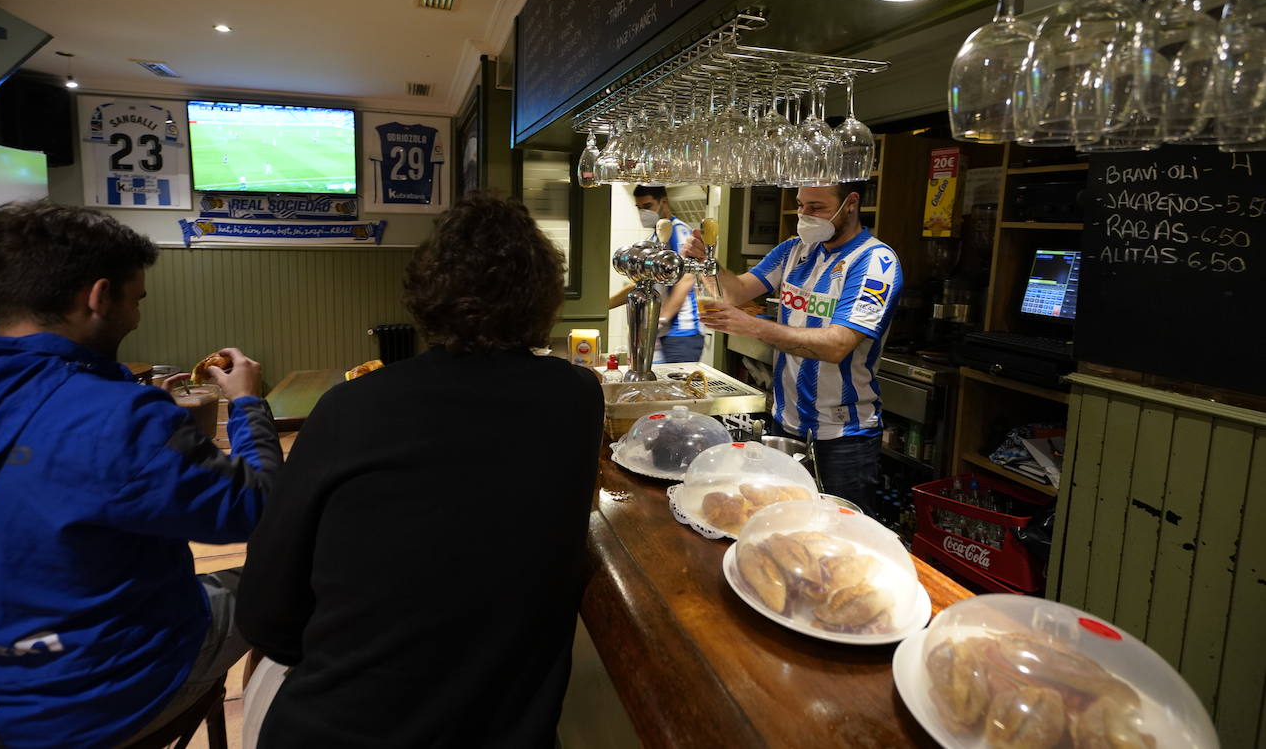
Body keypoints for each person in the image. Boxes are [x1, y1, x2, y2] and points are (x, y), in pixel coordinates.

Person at [0, 200, 281, 748]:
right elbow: (262, 507)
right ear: (98, 296)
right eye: (136, 299)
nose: (137, 316)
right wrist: (246, 403)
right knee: (283, 569)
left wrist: (137, 412)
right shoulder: (117, 418)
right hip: (96, 705)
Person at [237, 192, 604, 748]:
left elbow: (267, 620)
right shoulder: (577, 398)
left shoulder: (348, 407)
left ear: (428, 294)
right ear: (544, 298)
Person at [683, 182, 901, 515]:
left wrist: (753, 326)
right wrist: (708, 264)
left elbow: (838, 345)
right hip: (786, 423)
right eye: (801, 205)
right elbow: (736, 291)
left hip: (844, 438)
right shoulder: (794, 250)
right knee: (780, 522)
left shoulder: (875, 262)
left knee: (836, 541)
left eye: (817, 207)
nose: (804, 215)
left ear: (851, 203)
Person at [606, 184, 704, 364]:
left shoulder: (680, 232)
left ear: (663, 202)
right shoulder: (653, 240)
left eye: (648, 206)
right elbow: (641, 284)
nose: (643, 212)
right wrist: (603, 305)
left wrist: (662, 318)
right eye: (639, 207)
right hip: (660, 334)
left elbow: (686, 279)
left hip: (681, 334)